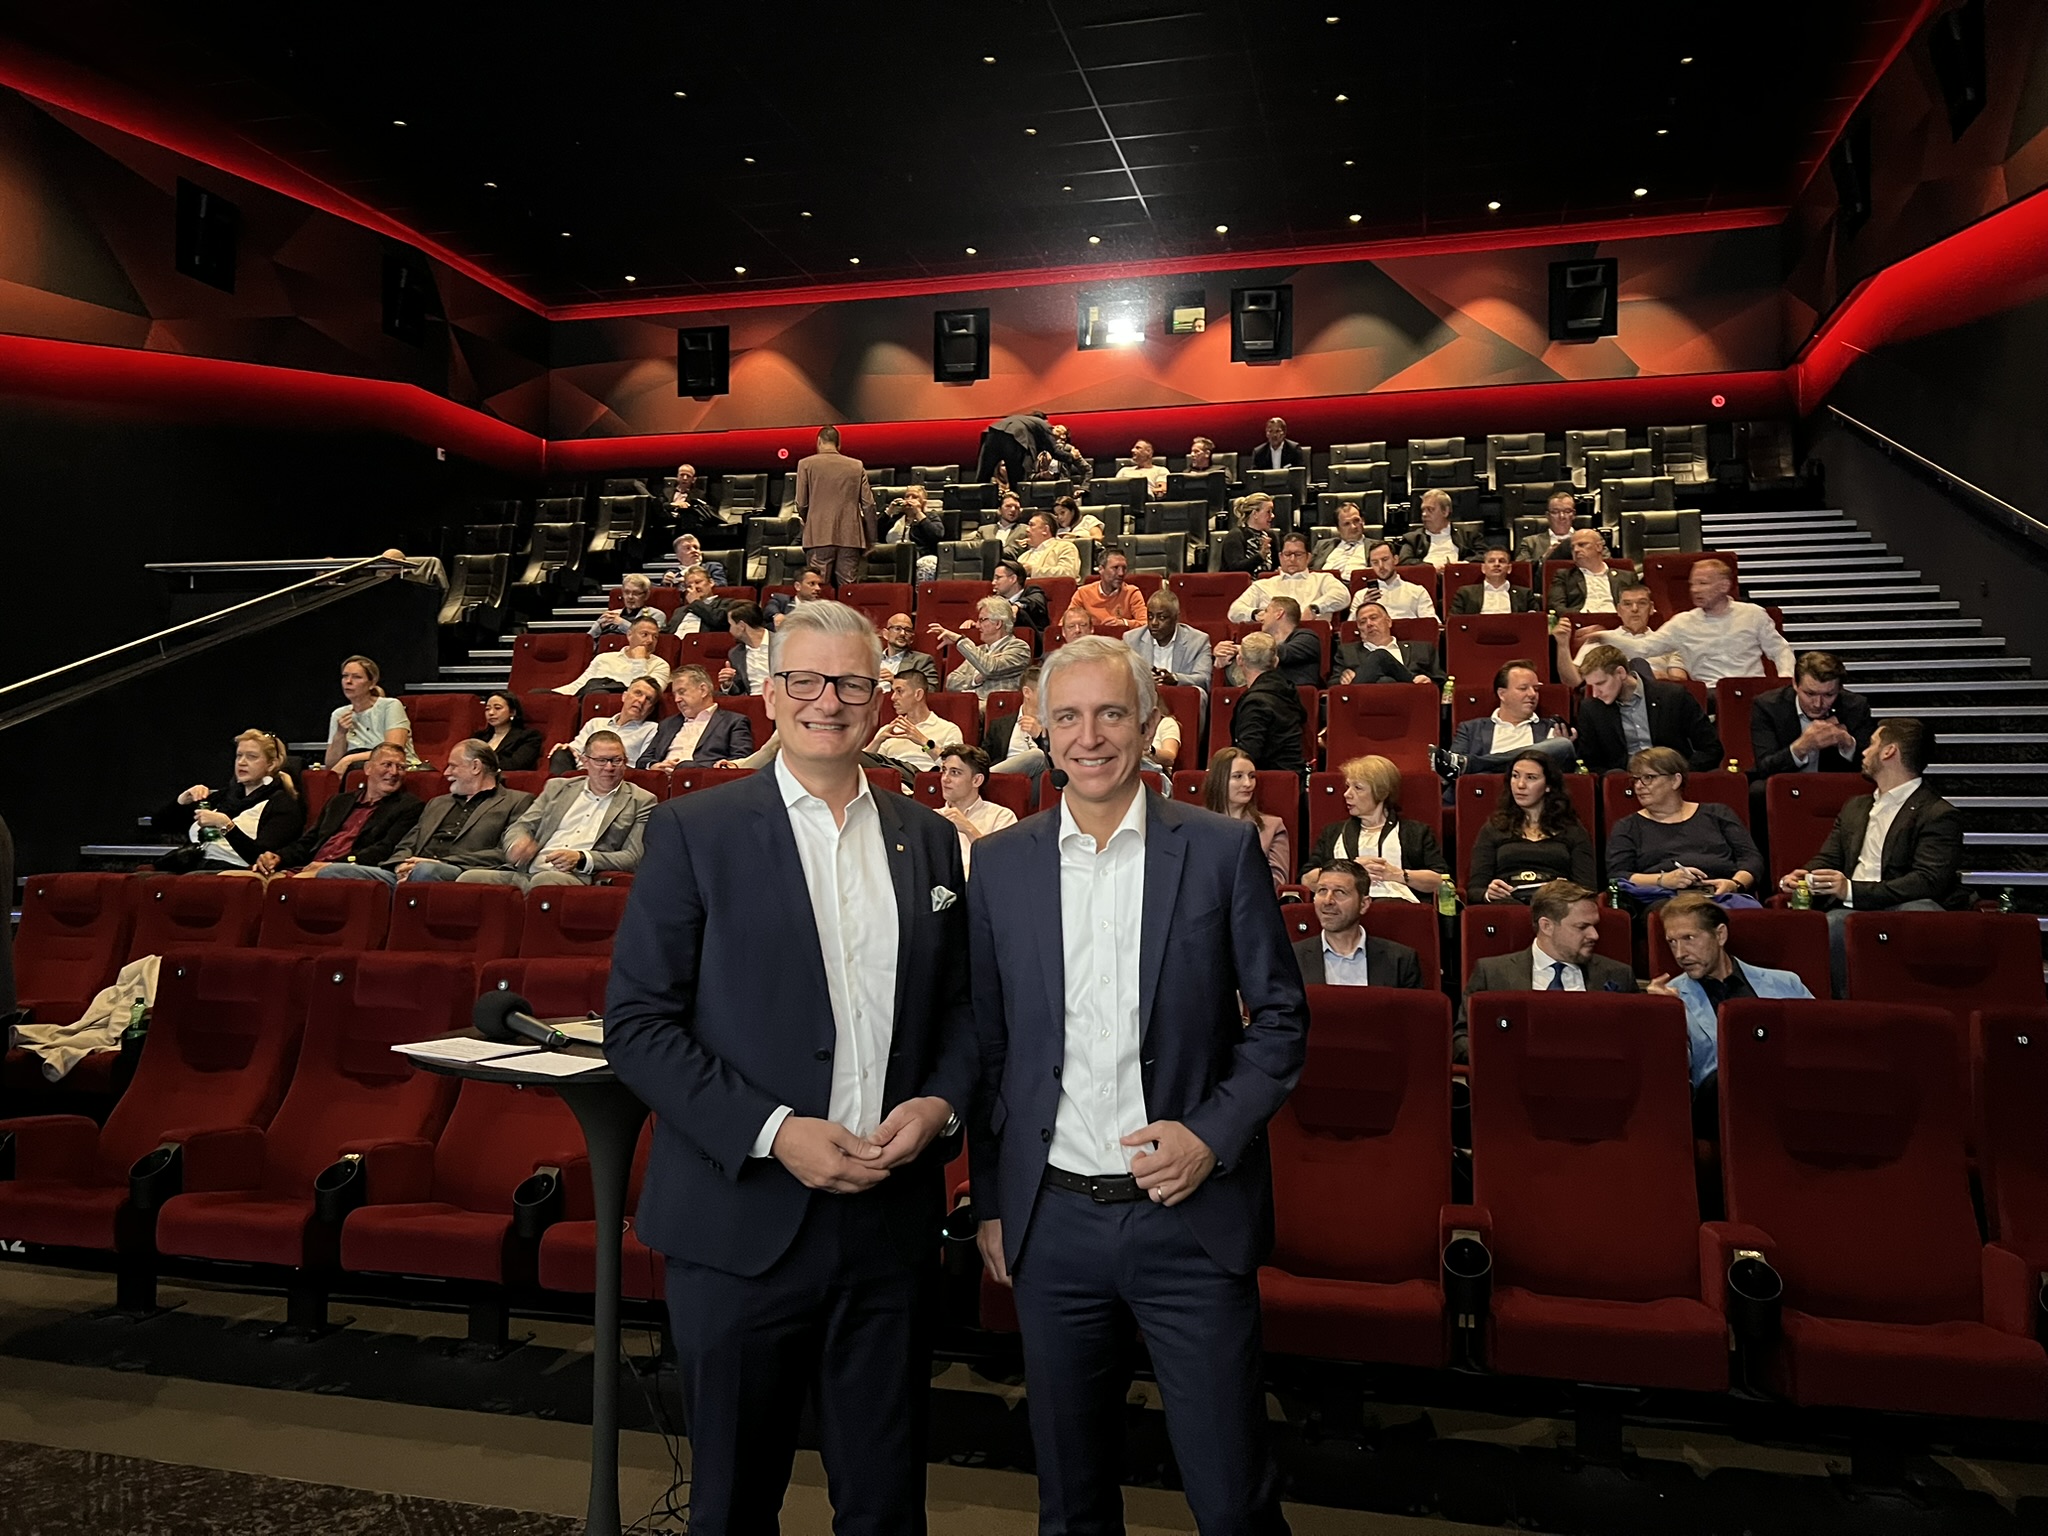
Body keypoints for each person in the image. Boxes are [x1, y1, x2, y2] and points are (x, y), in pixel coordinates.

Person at [605, 601, 977, 1534]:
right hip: (740, 1225)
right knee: (733, 1506)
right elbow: (639, 1026)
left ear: (879, 699)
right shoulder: (695, 830)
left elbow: (961, 1011)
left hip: (888, 1225)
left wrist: (941, 1105)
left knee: (886, 1507)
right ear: (770, 695)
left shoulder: (928, 837)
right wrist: (774, 1134)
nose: (828, 701)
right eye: (805, 680)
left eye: (850, 683)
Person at [966, 634, 1308, 1536]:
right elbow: (991, 1048)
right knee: (1071, 1504)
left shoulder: (1221, 849)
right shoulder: (1001, 864)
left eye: (1112, 713)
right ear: (1041, 730)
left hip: (1189, 1224)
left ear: (1151, 723)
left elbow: (1281, 1020)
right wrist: (994, 1200)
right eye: (1069, 717)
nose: (1090, 737)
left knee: (1233, 1502)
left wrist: (1210, 1135)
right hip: (1052, 1226)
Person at [1778, 718, 1963, 995]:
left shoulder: (1938, 814)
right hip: (1850, 907)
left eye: (1872, 744)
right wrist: (1806, 876)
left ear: (1889, 752)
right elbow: (1829, 858)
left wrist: (1852, 890)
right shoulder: (1855, 806)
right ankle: (1841, 1009)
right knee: (1831, 924)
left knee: (1920, 914)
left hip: (1902, 903)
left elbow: (1927, 880)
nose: (1864, 751)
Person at [1647, 892, 1814, 1132]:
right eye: (1671, 942)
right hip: (1715, 1104)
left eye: (1689, 938)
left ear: (1720, 935)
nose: (1680, 953)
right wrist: (1664, 1019)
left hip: (1787, 1093)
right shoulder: (1671, 998)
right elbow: (1671, 1083)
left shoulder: (1785, 983)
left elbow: (1817, 1045)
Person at [1460, 880, 1637, 1056]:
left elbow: (1636, 1040)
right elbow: (1461, 1039)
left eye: (1594, 926)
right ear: (1547, 926)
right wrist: (1505, 1058)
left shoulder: (1618, 974)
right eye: (1582, 927)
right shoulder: (1492, 973)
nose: (1594, 935)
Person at [460, 731, 655, 890]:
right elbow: (521, 826)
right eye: (601, 760)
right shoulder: (558, 788)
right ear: (585, 761)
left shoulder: (641, 800)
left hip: (576, 876)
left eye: (616, 760)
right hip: (527, 871)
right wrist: (516, 844)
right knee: (468, 879)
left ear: (625, 761)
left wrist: (582, 858)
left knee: (544, 882)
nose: (609, 767)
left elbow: (633, 857)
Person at [317, 741, 533, 885]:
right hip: (411, 871)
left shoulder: (516, 801)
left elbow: (504, 853)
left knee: (426, 872)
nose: (446, 773)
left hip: (459, 872)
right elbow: (407, 843)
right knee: (333, 872)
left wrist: (444, 862)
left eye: (453, 766)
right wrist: (400, 864)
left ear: (475, 767)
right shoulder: (437, 803)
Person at [1606, 747, 1764, 906]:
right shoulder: (1627, 827)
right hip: (1664, 899)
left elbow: (1751, 859)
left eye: (1648, 777)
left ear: (1675, 780)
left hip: (1722, 895)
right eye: (1635, 779)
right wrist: (1663, 880)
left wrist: (1735, 884)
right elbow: (1617, 875)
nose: (1638, 786)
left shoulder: (1718, 814)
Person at [249, 743, 423, 880]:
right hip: (307, 867)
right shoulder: (339, 802)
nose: (394, 772)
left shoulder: (408, 806)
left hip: (347, 872)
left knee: (281, 886)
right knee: (245, 880)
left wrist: (333, 865)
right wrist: (278, 857)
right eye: (387, 765)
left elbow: (383, 851)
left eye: (401, 767)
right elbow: (308, 843)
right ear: (368, 768)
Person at [1300, 754, 1449, 900]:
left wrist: (1396, 874)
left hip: (1398, 905)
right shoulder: (1332, 832)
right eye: (1347, 786)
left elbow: (1442, 881)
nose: (1347, 794)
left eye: (1358, 788)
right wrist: (1348, 870)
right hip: (1344, 907)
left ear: (1381, 793)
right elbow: (1306, 879)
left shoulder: (1416, 832)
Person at [155, 729, 305, 874]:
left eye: (252, 757)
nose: (242, 762)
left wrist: (226, 825)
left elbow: (261, 857)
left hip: (233, 872)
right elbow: (159, 825)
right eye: (239, 756)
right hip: (195, 866)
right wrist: (182, 801)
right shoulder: (225, 796)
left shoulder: (282, 804)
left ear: (271, 764)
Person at [1464, 751, 1596, 903]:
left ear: (1548, 786)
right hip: (1507, 904)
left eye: (1531, 778)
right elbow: (1474, 890)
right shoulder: (1494, 828)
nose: (1520, 785)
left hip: (1556, 904)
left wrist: (1567, 890)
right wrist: (1488, 894)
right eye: (1515, 776)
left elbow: (1588, 890)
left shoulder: (1572, 829)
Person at [1573, 643, 1722, 774]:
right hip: (1625, 783)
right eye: (1591, 686)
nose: (1595, 693)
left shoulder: (1673, 697)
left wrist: (1680, 774)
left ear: (1620, 673)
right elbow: (1590, 763)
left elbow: (1711, 748)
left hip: (1673, 780)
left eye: (1600, 684)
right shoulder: (1591, 709)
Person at [1644, 559, 1794, 686]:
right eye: (1692, 584)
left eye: (1702, 583)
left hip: (1751, 690)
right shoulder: (1682, 622)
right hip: (1709, 693)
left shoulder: (1753, 614)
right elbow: (1644, 648)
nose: (1695, 590)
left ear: (1724, 586)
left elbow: (1780, 650)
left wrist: (1786, 681)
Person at [1291, 859, 1424, 988]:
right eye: (1322, 890)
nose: (1327, 901)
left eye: (1340, 892)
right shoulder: (1291, 958)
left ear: (1364, 904)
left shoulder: (1400, 960)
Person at [1440, 661, 1575, 779]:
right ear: (1502, 694)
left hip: (1531, 791)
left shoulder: (1551, 729)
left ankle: (1475, 764)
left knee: (1563, 744)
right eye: (1523, 688)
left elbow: (1558, 774)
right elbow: (1450, 771)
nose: (1532, 694)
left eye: (1536, 689)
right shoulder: (1471, 728)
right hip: (1485, 791)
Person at [1750, 651, 1873, 779]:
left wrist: (1848, 744)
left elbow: (1873, 769)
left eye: (1828, 695)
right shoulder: (1768, 706)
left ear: (1840, 689)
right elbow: (1764, 768)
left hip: (1833, 783)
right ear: (1795, 684)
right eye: (1810, 694)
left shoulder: (1855, 707)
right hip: (1787, 782)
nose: (1818, 704)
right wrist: (1801, 746)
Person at [1553, 584, 1687, 687]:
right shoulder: (1600, 639)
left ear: (1651, 608)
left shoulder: (1666, 641)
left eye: (1642, 603)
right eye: (1627, 604)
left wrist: (1663, 677)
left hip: (1655, 697)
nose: (1634, 609)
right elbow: (1573, 681)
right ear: (1618, 610)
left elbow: (1681, 683)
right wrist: (1563, 645)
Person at [795, 424, 874, 589]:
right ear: (839, 444)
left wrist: (810, 521)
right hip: (850, 537)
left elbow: (801, 503)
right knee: (848, 590)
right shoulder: (856, 466)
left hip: (818, 536)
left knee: (818, 587)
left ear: (819, 441)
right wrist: (871, 538)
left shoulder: (805, 464)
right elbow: (869, 505)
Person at [1205, 746, 1290, 889]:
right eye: (1238, 776)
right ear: (1218, 780)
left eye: (1252, 776)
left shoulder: (1272, 827)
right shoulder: (1196, 824)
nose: (1248, 784)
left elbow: (1276, 882)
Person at [1227, 632, 1307, 772]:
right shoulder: (1288, 692)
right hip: (1293, 775)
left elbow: (1248, 754)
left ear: (1239, 660)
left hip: (1269, 779)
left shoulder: (1255, 703)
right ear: (1275, 661)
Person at [646, 667, 754, 769]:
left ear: (703, 690)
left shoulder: (733, 722)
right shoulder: (667, 724)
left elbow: (740, 761)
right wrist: (653, 766)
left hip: (703, 778)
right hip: (663, 779)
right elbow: (644, 759)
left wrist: (687, 768)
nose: (676, 699)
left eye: (682, 692)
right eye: (675, 694)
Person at [552, 677, 665, 774]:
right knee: (561, 753)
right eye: (638, 693)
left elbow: (643, 765)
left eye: (648, 699)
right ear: (624, 696)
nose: (641, 700)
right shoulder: (595, 723)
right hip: (582, 774)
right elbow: (575, 750)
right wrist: (567, 748)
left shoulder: (652, 729)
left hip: (615, 776)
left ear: (651, 709)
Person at [1227, 532, 1350, 622]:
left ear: (1308, 557)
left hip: (1310, 635)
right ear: (1280, 557)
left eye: (1298, 554)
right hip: (1270, 639)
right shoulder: (1262, 585)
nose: (1292, 559)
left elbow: (1343, 596)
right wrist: (1257, 614)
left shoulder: (1323, 579)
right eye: (1287, 554)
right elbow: (1234, 611)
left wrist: (1315, 608)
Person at [323, 655, 413, 774]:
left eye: (357, 677)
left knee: (358, 768)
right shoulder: (339, 714)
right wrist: (340, 733)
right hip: (354, 768)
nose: (348, 681)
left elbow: (393, 750)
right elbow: (331, 765)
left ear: (372, 683)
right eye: (345, 676)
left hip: (394, 767)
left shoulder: (390, 706)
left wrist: (349, 759)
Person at [864, 665, 963, 775]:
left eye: (899, 691)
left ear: (918, 694)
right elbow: (861, 765)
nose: (893, 697)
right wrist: (878, 740)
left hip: (924, 779)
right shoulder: (888, 730)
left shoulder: (948, 729)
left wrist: (924, 742)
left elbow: (954, 768)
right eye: (893, 691)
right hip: (893, 779)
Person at [934, 742, 1015, 874]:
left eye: (955, 772)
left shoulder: (1001, 816)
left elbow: (1005, 864)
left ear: (977, 780)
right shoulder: (932, 818)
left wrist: (969, 829)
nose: (945, 779)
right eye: (944, 771)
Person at [1327, 600, 1444, 688]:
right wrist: (1343, 678)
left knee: (1381, 659)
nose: (1369, 624)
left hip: (1411, 700)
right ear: (1359, 629)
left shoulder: (1421, 649)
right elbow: (1332, 685)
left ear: (1388, 622)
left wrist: (1428, 681)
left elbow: (1442, 681)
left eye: (1374, 618)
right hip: (1364, 702)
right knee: (1383, 668)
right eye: (1362, 622)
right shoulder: (1347, 652)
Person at [934, 597, 1031, 700]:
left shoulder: (1020, 648)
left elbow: (990, 668)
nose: (977, 625)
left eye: (982, 620)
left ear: (998, 624)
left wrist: (960, 640)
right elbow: (951, 682)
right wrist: (975, 679)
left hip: (995, 706)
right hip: (970, 704)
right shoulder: (980, 650)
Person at [1216, 596, 1321, 691]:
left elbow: (1282, 653)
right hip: (1258, 696)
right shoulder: (1260, 639)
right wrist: (1225, 654)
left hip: (1293, 699)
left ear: (1279, 613)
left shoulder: (1308, 638)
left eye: (1266, 611)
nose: (1262, 617)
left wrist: (1243, 649)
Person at [553, 618, 670, 696]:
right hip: (589, 698)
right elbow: (579, 685)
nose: (650, 640)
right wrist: (553, 694)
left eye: (655, 637)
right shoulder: (603, 658)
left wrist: (639, 661)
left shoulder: (660, 665)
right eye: (644, 635)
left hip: (620, 706)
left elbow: (645, 693)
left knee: (599, 693)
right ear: (629, 635)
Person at [1126, 588, 1212, 691]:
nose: (1154, 623)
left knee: (1199, 692)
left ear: (1176, 618)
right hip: (1145, 695)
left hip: (1180, 694)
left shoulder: (1198, 641)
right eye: (1150, 616)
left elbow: (1204, 679)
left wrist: (1175, 679)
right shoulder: (1131, 640)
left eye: (1162, 618)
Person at [1546, 528, 1640, 614]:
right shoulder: (1564, 576)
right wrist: (1577, 618)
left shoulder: (1627, 577)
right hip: (1582, 622)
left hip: (1618, 622)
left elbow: (1639, 606)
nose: (1576, 550)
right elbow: (1555, 606)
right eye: (1572, 547)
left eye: (1582, 545)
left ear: (1599, 547)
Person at [1347, 540, 1438, 621]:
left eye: (1385, 559)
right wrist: (1363, 607)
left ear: (1395, 560)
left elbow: (1431, 624)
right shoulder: (1361, 596)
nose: (1381, 566)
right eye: (1375, 562)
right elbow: (1350, 628)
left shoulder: (1417, 591)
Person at [1065, 548, 1147, 632]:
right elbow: (1065, 624)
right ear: (1101, 569)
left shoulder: (1132, 593)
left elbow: (1146, 623)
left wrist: (1124, 623)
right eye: (1115, 568)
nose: (1121, 573)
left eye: (1124, 568)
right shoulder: (1083, 593)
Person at [985, 664, 1047, 773]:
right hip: (1005, 779)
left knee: (1037, 755)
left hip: (1039, 778)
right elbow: (984, 759)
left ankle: (988, 775)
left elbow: (1059, 762)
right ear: (1027, 692)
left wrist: (1040, 736)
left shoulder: (1058, 724)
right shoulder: (999, 725)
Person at [978, 409, 1062, 488]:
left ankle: (978, 498)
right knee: (1016, 480)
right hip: (1013, 436)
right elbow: (1054, 450)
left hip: (991, 432)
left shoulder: (1022, 421)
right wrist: (1069, 457)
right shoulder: (1043, 424)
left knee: (983, 477)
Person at [1397, 490, 1479, 568]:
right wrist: (1431, 568)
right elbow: (1405, 562)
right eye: (1423, 510)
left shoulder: (1468, 536)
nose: (1424, 514)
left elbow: (1483, 556)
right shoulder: (1413, 539)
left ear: (1445, 511)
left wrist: (1464, 565)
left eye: (1430, 509)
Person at [1448, 546, 1539, 615]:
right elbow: (1454, 622)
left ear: (1509, 568)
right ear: (1483, 568)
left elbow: (1536, 621)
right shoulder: (1466, 593)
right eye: (1491, 561)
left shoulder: (1524, 594)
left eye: (1502, 561)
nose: (1496, 564)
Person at [884, 484, 943, 583]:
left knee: (929, 562)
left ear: (923, 502)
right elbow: (875, 533)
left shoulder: (930, 517)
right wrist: (889, 511)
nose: (909, 499)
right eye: (907, 496)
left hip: (918, 558)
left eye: (915, 497)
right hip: (891, 556)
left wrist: (918, 513)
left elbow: (937, 535)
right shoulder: (896, 517)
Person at [472, 690, 542, 773]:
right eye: (487, 709)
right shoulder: (479, 737)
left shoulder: (528, 737)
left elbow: (516, 764)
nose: (491, 713)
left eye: (497, 708)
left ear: (512, 712)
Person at [717, 603, 773, 696]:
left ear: (741, 626)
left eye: (730, 625)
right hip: (752, 701)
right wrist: (728, 684)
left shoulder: (783, 643)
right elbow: (738, 691)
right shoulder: (735, 653)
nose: (730, 630)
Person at [1513, 491, 1581, 565]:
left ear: (1573, 514)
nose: (1562, 516)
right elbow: (1521, 568)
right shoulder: (1530, 543)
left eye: (1567, 511)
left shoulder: (1586, 540)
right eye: (1555, 512)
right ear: (1547, 515)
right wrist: (1544, 558)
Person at [877, 613, 940, 694]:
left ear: (911, 639)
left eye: (908, 630)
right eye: (897, 628)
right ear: (885, 634)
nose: (903, 633)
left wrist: (896, 681)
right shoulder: (869, 660)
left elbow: (931, 691)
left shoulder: (922, 661)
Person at [590, 573, 668, 637]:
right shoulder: (612, 615)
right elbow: (588, 639)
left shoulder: (656, 615)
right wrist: (599, 626)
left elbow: (646, 637)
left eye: (635, 593)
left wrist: (621, 623)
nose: (630, 597)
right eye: (626, 592)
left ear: (646, 595)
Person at [1219, 494, 1279, 576]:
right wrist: (1260, 556)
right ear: (1255, 514)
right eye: (1268, 512)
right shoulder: (1235, 536)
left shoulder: (1271, 536)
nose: (1272, 516)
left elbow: (1276, 565)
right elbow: (1235, 569)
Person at [664, 565, 732, 636]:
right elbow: (667, 632)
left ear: (711, 582)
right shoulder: (679, 610)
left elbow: (720, 622)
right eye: (689, 586)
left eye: (698, 582)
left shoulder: (727, 603)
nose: (694, 587)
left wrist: (695, 603)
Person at [1311, 501, 1375, 575]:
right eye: (1346, 524)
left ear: (1363, 521)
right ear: (1338, 528)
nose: (1353, 526)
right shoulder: (1322, 546)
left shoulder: (1377, 546)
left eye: (1356, 521)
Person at [991, 558, 1051, 633]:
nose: (993, 582)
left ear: (1013, 579)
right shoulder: (997, 599)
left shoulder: (1033, 591)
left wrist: (1017, 606)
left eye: (998, 578)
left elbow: (1035, 601)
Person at [663, 462, 722, 539]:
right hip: (667, 517)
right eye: (682, 475)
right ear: (677, 477)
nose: (684, 478)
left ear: (693, 479)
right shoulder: (666, 491)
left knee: (689, 515)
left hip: (685, 520)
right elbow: (660, 505)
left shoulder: (699, 494)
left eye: (688, 476)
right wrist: (675, 504)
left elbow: (703, 509)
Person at [1018, 513, 1081, 579]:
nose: (1027, 529)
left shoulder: (1065, 547)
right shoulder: (1023, 557)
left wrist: (1033, 571)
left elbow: (1068, 573)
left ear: (1045, 530)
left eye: (1031, 525)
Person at [766, 568, 831, 626]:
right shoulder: (782, 600)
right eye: (812, 584)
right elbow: (770, 608)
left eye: (819, 585)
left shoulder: (824, 609)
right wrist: (777, 615)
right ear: (797, 586)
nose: (818, 588)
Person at [983, 491, 1032, 556]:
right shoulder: (984, 530)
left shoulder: (1026, 530)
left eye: (1017, 507)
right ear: (999, 510)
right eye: (1008, 506)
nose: (1013, 510)